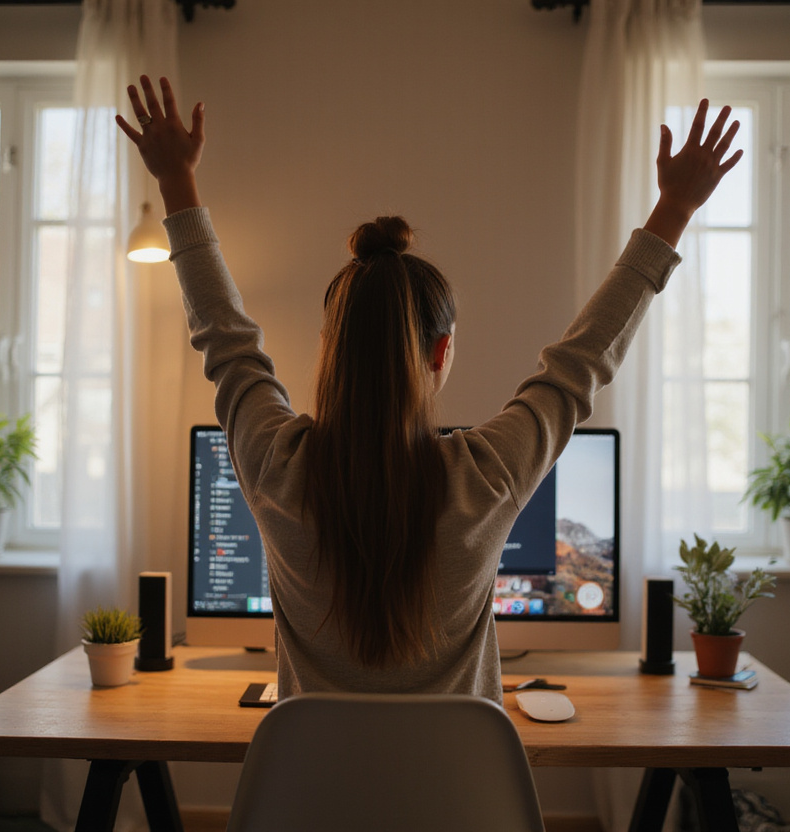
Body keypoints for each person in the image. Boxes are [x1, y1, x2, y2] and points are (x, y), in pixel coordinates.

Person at [117, 76, 742, 704]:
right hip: (461, 804)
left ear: (333, 346)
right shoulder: (483, 476)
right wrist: (674, 210)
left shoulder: (278, 467)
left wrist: (177, 181)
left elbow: (226, 344)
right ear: (441, 351)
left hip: (315, 804)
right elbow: (579, 366)